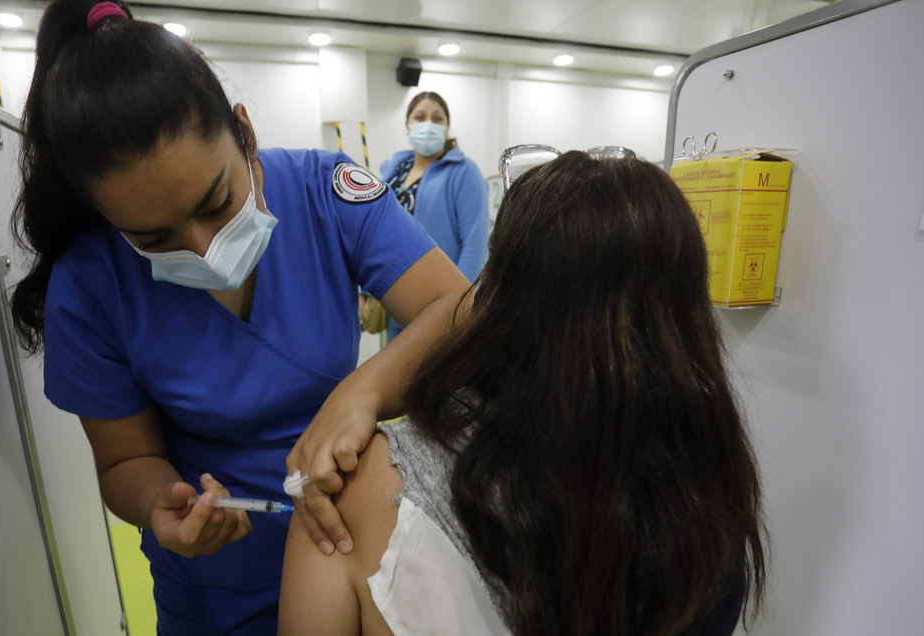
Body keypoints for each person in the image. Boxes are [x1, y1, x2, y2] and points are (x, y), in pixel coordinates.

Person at [9, 1, 470, 633]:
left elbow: (461, 310)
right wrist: (161, 506)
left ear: (245, 132)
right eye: (152, 237)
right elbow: (122, 463)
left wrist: (359, 393)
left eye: (217, 201)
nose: (203, 249)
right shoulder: (90, 285)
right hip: (215, 585)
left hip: (350, 540)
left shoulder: (325, 191)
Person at [279, 149, 768, 636]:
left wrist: (360, 391)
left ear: (498, 294)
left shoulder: (356, 496)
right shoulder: (711, 506)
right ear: (684, 319)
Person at [361, 91, 489, 340]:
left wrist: (457, 305)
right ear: (408, 126)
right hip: (393, 302)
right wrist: (362, 291)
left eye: (437, 118)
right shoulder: (393, 172)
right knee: (399, 377)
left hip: (439, 307)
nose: (428, 123)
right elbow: (371, 231)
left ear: (447, 127)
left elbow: (475, 243)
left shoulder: (465, 172)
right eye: (419, 117)